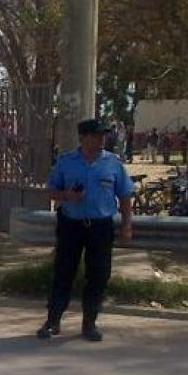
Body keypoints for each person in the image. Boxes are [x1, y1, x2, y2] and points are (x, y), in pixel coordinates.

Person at [37, 119, 134, 342]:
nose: (102, 139)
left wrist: (127, 224)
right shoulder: (66, 161)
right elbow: (51, 191)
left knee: (98, 275)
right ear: (83, 138)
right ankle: (53, 321)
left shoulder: (113, 163)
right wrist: (67, 196)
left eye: (103, 136)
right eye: (96, 135)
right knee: (63, 272)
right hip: (71, 224)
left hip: (100, 226)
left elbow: (125, 195)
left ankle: (89, 323)